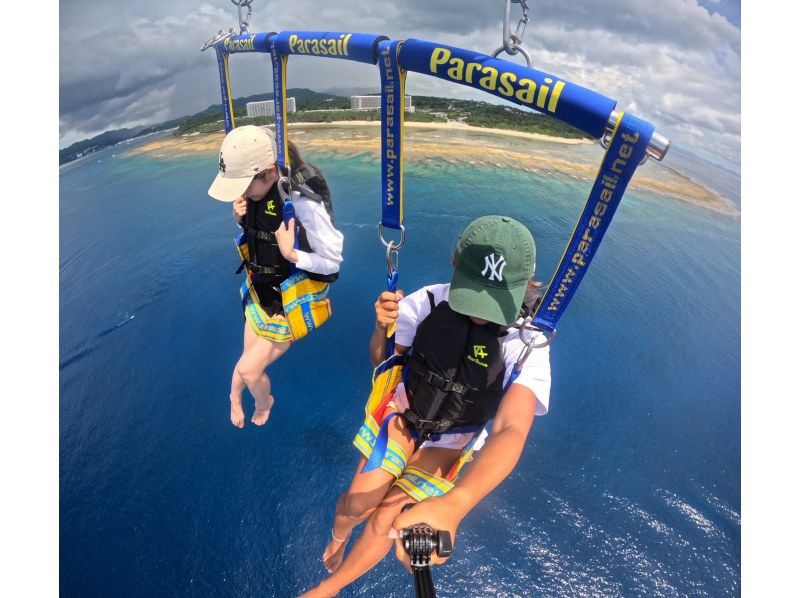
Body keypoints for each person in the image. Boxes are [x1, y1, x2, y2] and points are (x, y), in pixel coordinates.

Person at [301, 216, 551, 597]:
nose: (480, 312)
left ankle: (329, 588)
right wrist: (379, 327)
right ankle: (338, 537)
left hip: (450, 441)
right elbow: (382, 361)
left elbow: (510, 428)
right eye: (472, 295)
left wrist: (456, 504)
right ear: (454, 266)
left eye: (494, 301)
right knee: (355, 505)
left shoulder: (526, 343)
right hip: (405, 414)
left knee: (386, 519)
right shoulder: (428, 301)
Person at [208, 125, 343, 428]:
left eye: (245, 185)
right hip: (262, 288)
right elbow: (260, 232)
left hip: (292, 297)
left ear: (268, 172)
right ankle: (234, 397)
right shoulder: (256, 191)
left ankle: (265, 401)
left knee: (249, 370)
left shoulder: (303, 204)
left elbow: (333, 262)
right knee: (246, 360)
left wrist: (293, 253)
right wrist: (239, 218)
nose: (242, 193)